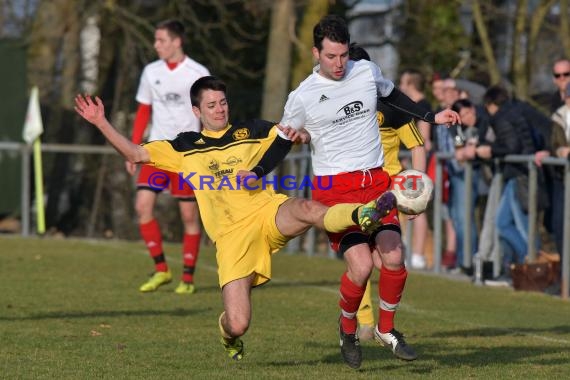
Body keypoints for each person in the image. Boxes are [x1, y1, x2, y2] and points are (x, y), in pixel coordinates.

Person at [74, 76, 397, 362]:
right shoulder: (183, 146)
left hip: (267, 213)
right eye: (211, 105)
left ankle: (363, 213)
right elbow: (135, 154)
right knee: (238, 322)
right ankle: (226, 334)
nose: (220, 109)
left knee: (308, 209)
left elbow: (290, 132)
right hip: (231, 238)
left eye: (223, 102)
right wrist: (101, 122)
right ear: (197, 111)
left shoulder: (252, 130)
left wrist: (302, 134)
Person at [278, 15, 460, 368]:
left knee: (394, 258)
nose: (339, 63)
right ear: (316, 53)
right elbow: (281, 140)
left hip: (376, 184)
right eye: (331, 56)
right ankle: (348, 330)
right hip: (334, 190)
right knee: (361, 267)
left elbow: (396, 96)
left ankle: (386, 329)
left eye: (343, 55)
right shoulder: (302, 95)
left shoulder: (365, 72)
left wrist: (433, 116)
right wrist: (255, 171)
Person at [347, 44, 428, 342]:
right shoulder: (337, 107)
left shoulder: (392, 107)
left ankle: (378, 322)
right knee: (361, 256)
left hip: (387, 193)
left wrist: (416, 187)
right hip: (352, 189)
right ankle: (367, 322)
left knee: (388, 259)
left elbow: (417, 146)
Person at [127, 20, 210, 294]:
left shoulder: (198, 73)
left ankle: (187, 277)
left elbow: (210, 113)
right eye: (156, 40)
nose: (156, 45)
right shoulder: (151, 71)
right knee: (142, 206)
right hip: (155, 151)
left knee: (188, 214)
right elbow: (143, 111)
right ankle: (161, 269)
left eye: (161, 40)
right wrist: (133, 150)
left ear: (177, 42)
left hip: (187, 154)